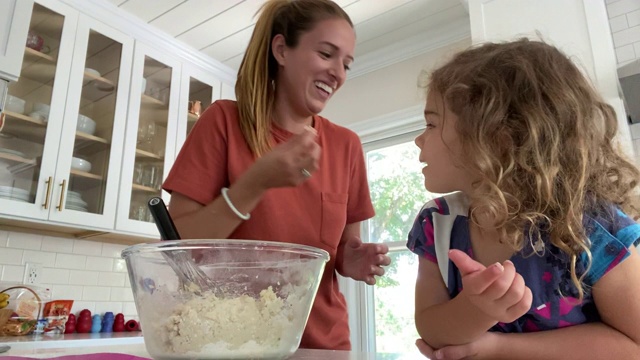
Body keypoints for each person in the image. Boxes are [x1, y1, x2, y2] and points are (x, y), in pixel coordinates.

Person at [162, 0, 390, 351]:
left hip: (322, 347)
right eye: (327, 54)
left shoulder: (346, 146)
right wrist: (255, 183)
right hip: (228, 347)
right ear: (282, 50)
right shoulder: (222, 122)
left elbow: (344, 247)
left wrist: (352, 259)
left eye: (346, 64)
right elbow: (179, 249)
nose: (338, 73)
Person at [407, 38, 640, 359]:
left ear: (497, 139)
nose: (419, 139)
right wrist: (476, 309)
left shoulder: (592, 228)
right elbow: (429, 326)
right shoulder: (437, 225)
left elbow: (634, 346)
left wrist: (500, 348)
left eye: (431, 123)